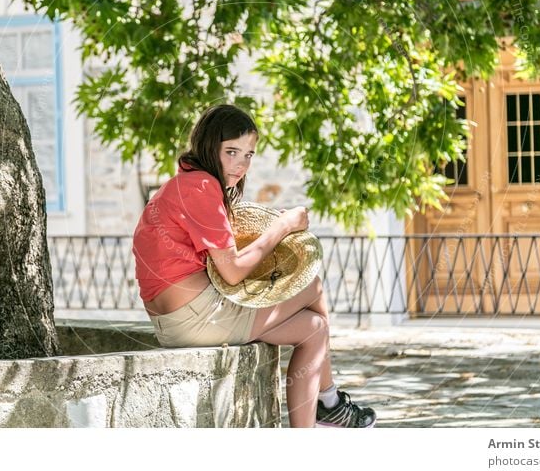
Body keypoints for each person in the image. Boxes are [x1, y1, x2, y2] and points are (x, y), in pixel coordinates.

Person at [132, 103, 376, 428]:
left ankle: (317, 424)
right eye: (231, 151)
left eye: (248, 155)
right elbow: (232, 270)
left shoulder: (180, 185)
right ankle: (329, 401)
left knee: (313, 329)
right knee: (313, 285)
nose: (241, 164)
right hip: (198, 316)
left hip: (178, 322)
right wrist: (285, 226)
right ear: (208, 145)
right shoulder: (202, 187)